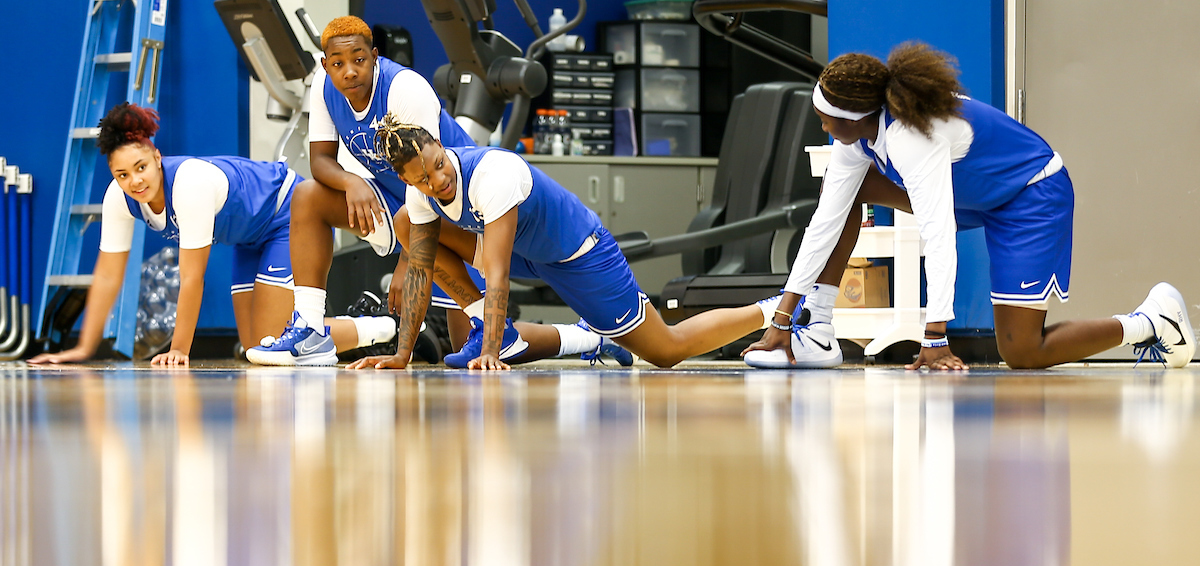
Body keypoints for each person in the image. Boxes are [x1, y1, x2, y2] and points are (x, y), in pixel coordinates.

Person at [741, 42, 1195, 371]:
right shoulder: (856, 137)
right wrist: (784, 315)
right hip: (973, 195)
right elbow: (824, 223)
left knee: (1022, 353)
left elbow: (937, 235)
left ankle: (1152, 321)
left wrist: (935, 335)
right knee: (845, 198)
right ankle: (816, 331)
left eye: (826, 119)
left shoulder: (909, 136)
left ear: (855, 116)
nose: (822, 125)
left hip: (1029, 195)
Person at [247, 16, 619, 368]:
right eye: (339, 63)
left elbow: (428, 181)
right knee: (309, 195)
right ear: (327, 66)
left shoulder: (405, 89)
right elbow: (320, 162)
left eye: (359, 60)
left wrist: (406, 262)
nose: (350, 71)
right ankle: (311, 331)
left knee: (472, 348)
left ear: (374, 58)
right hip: (396, 203)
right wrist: (352, 181)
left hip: (453, 209)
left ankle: (586, 338)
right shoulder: (327, 88)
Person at [346, 117, 785, 370]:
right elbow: (421, 268)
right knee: (408, 227)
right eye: (422, 178)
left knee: (665, 351)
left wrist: (492, 355)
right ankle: (557, 334)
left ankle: (779, 309)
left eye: (439, 165)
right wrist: (402, 355)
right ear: (404, 179)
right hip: (524, 252)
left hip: (578, 254)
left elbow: (496, 274)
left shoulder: (491, 174)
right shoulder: (418, 195)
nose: (437, 180)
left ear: (442, 146)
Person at [27, 103, 397, 367]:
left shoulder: (188, 184)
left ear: (156, 157)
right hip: (248, 238)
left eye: (140, 167)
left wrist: (180, 350)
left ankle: (382, 326)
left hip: (287, 215)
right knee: (257, 346)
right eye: (122, 175)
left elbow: (192, 278)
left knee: (272, 345)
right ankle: (366, 327)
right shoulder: (118, 199)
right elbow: (107, 275)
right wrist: (83, 347)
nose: (134, 181)